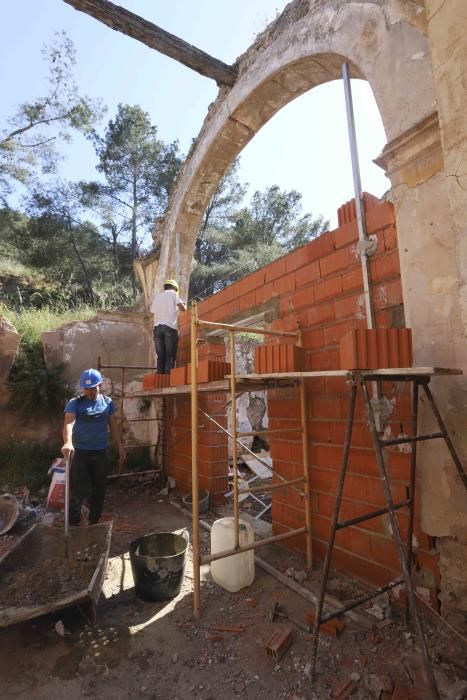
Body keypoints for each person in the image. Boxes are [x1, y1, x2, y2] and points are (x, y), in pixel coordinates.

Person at [61, 368, 126, 526]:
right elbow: (68, 423)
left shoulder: (108, 402)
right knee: (76, 489)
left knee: (99, 488)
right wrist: (68, 442)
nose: (89, 391)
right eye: (86, 388)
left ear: (100, 386)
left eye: (92, 388)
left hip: (100, 453)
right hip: (80, 453)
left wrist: (120, 446)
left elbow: (113, 425)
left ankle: (94, 521)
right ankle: (73, 523)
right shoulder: (75, 403)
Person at [151, 279, 186, 374]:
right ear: (175, 288)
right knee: (169, 356)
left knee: (160, 356)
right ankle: (168, 381)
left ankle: (160, 381)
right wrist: (184, 305)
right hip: (169, 328)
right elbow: (183, 309)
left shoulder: (157, 297)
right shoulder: (173, 294)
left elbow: (152, 311)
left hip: (157, 329)